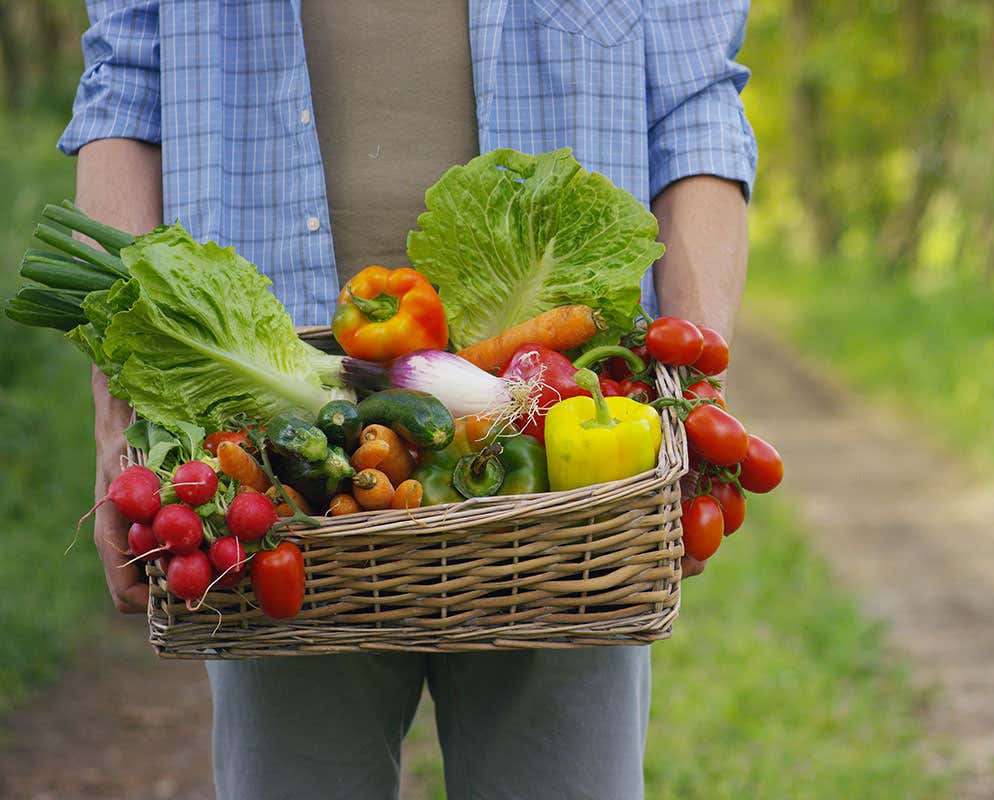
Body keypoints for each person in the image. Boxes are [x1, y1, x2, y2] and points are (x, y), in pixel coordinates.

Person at [65, 2, 756, 798]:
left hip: (564, 453)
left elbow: (695, 107)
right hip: (274, 460)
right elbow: (126, 92)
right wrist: (118, 424)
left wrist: (695, 400)